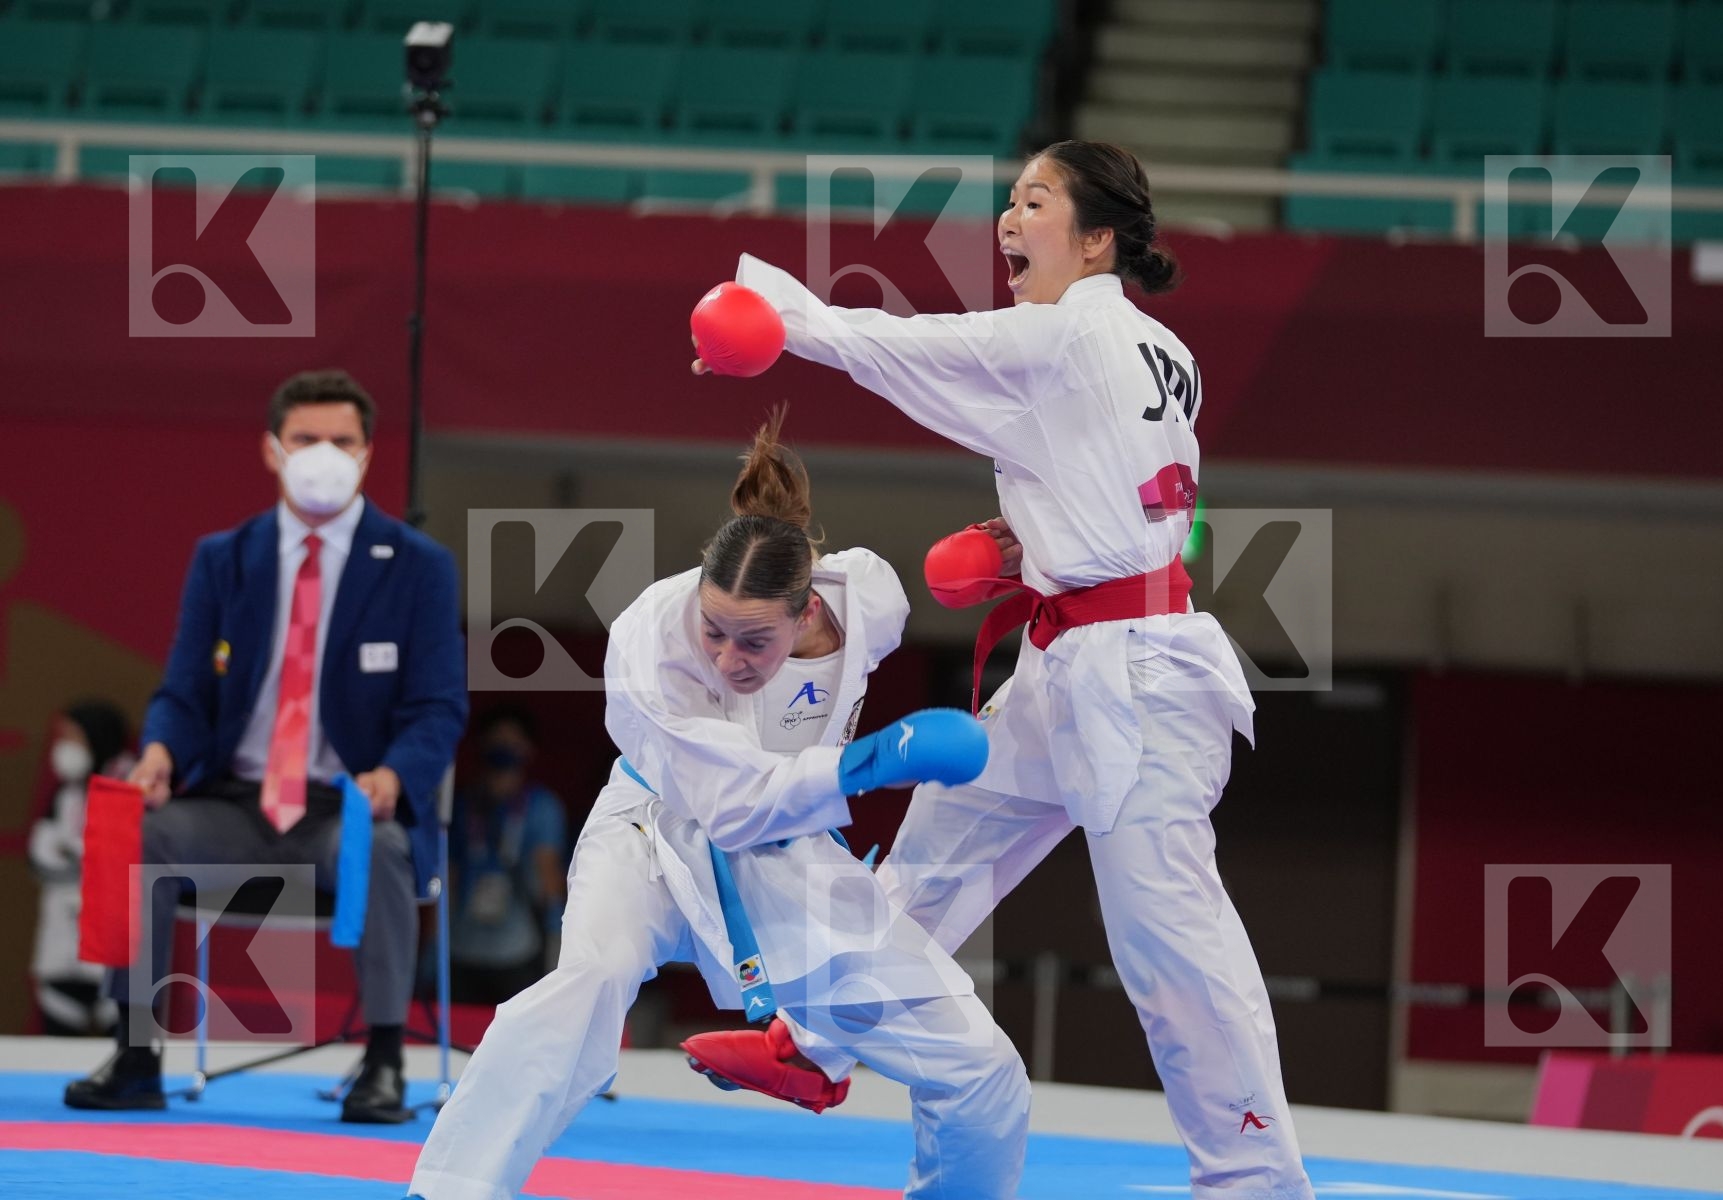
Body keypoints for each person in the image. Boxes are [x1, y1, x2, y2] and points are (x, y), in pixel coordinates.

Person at [684, 141, 1315, 1200]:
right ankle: (819, 1045)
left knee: (1170, 944)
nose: (1008, 220)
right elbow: (1133, 489)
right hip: (1069, 656)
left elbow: (907, 348)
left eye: (1034, 202)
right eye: (1009, 200)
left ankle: (1256, 1181)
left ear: (1097, 235)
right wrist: (1033, 541)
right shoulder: (1161, 349)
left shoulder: (1066, 332)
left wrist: (780, 321)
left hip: (1137, 678)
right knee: (932, 854)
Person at [408, 411, 1029, 1200]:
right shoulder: (650, 639)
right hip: (650, 835)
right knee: (586, 985)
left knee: (976, 1064)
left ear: (806, 611)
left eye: (753, 642)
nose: (727, 658)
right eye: (715, 630)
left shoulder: (868, 595)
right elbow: (732, 807)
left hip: (792, 862)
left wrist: (1019, 551)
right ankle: (451, 1188)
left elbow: (773, 812)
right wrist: (874, 761)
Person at [62, 369, 468, 1124]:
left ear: (368, 454)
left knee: (384, 849)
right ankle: (136, 1053)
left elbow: (438, 707)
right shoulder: (225, 558)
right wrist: (160, 756)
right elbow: (185, 691)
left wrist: (392, 776)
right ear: (272, 450)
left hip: (344, 811)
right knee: (140, 834)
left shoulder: (418, 567)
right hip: (236, 805)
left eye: (341, 442)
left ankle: (382, 1061)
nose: (324, 456)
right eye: (305, 439)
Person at [446, 705, 569, 1005]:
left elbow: (550, 883)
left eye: (513, 741)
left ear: (528, 749)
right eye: (497, 739)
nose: (504, 748)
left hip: (519, 948)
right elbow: (449, 874)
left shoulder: (542, 807)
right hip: (462, 946)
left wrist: (557, 946)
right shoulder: (462, 804)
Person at [29, 700, 135, 1036]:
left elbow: (121, 854)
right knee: (58, 1036)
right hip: (63, 942)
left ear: (96, 736)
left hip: (113, 943)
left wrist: (77, 853)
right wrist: (78, 856)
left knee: (120, 1044)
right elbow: (42, 853)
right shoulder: (67, 793)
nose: (64, 747)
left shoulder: (132, 782)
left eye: (72, 737)